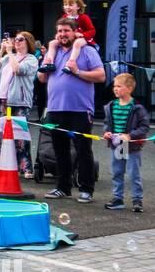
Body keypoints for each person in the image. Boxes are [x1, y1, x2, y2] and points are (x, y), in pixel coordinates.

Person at [38, 17, 105, 202]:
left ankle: (86, 189)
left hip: (80, 110)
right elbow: (42, 79)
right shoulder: (53, 52)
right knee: (60, 150)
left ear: (75, 32)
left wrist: (77, 72)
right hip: (55, 109)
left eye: (66, 31)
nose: (62, 34)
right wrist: (44, 66)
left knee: (83, 150)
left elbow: (101, 76)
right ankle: (63, 187)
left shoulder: (87, 51)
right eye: (59, 31)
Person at [0, 32, 38, 177]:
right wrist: (2, 50)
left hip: (19, 101)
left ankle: (25, 168)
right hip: (2, 99)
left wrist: (9, 52)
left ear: (28, 42)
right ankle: (0, 166)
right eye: (15, 39)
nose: (16, 42)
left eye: (20, 40)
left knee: (20, 135)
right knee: (0, 135)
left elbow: (18, 70)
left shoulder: (31, 59)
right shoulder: (9, 57)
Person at [102, 72, 150, 213]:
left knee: (133, 173)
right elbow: (107, 123)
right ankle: (117, 199)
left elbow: (144, 127)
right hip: (117, 145)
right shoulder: (111, 106)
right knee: (117, 172)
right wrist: (107, 132)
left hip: (132, 146)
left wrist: (130, 136)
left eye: (119, 86)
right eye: (114, 86)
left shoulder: (137, 108)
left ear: (129, 88)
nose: (115, 89)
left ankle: (137, 200)